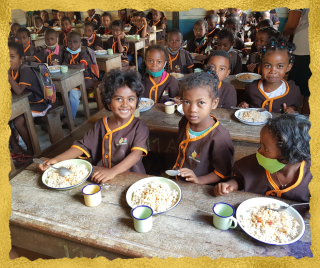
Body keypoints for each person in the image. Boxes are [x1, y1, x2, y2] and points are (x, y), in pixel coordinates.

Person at [38, 69, 149, 184]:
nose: (125, 104)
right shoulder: (100, 125)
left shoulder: (139, 127)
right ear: (108, 102)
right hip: (100, 177)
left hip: (130, 179)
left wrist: (113, 171)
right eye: (118, 99)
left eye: (130, 99)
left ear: (136, 102)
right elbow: (81, 147)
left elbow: (136, 155)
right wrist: (57, 160)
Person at [214, 114, 311, 203]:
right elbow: (241, 179)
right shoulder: (251, 164)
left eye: (266, 149)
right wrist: (230, 185)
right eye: (261, 144)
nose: (259, 151)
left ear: (290, 156)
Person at [172, 72, 234, 185]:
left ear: (214, 103)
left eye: (201, 102)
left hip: (202, 187)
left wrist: (198, 180)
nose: (192, 109)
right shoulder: (184, 121)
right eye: (186, 102)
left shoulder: (220, 137)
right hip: (180, 180)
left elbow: (222, 172)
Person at [8, 41, 51, 161]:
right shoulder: (11, 71)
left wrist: (6, 75)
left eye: (12, 57)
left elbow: (19, 91)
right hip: (24, 103)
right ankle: (16, 147)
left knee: (18, 121)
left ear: (21, 59)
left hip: (38, 103)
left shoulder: (25, 70)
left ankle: (31, 149)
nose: (8, 60)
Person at [239, 37, 301, 113]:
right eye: (268, 66)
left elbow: (296, 109)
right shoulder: (251, 88)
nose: (273, 71)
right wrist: (242, 106)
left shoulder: (293, 90)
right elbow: (243, 103)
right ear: (261, 66)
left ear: (288, 67)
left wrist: (292, 111)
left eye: (280, 66)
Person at [61, 32, 94, 123]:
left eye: (75, 42)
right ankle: (66, 114)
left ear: (80, 44)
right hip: (73, 78)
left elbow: (81, 66)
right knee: (66, 90)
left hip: (86, 78)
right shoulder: (67, 54)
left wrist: (65, 65)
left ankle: (70, 118)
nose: (72, 45)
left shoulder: (83, 53)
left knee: (74, 91)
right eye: (69, 42)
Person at [283, 9, 311, 115]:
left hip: (305, 46)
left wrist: (282, 35)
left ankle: (298, 124)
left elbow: (291, 25)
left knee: (297, 90)